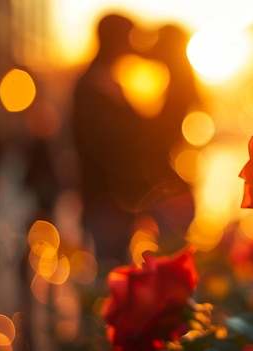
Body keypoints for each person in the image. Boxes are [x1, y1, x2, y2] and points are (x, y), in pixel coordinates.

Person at [72, 14, 196, 268]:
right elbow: (111, 147)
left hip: (110, 199)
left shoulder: (103, 84)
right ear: (116, 40)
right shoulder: (96, 88)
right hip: (108, 200)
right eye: (130, 37)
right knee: (112, 274)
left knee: (115, 272)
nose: (136, 45)